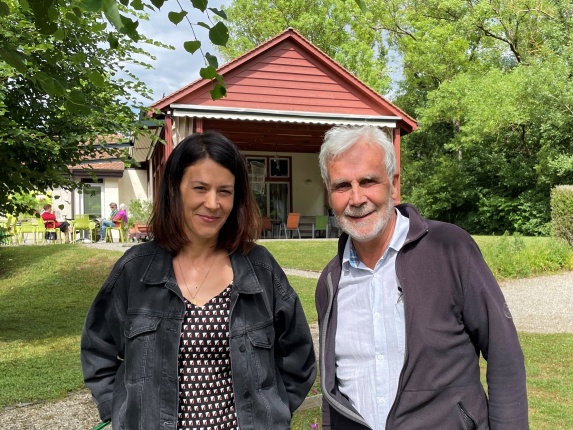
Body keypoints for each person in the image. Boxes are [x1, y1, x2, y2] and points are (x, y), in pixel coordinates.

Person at [81, 131, 316, 429]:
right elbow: (96, 348)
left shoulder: (260, 268)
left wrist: (273, 413)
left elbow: (299, 356)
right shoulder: (135, 270)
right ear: (175, 190)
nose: (213, 203)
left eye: (225, 191)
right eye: (200, 188)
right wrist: (123, 413)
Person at [315, 125, 528, 429]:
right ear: (329, 193)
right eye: (342, 186)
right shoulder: (330, 282)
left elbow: (504, 355)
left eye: (368, 181)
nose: (357, 197)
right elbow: (332, 393)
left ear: (394, 185)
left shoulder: (449, 249)